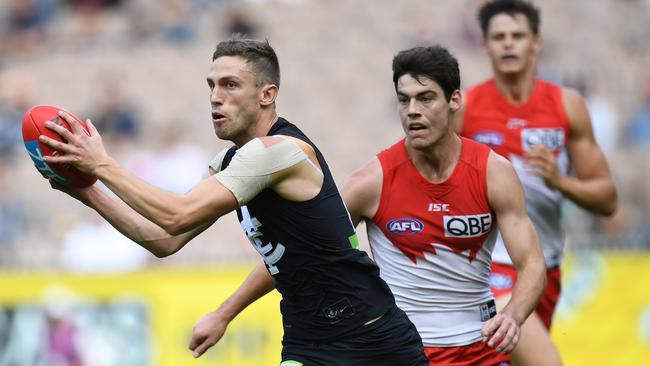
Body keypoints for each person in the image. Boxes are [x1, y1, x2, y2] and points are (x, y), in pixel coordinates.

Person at [39, 37, 428, 365]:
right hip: (309, 342)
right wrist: (85, 190)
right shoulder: (231, 162)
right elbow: (165, 240)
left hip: (374, 342)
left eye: (229, 85)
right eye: (211, 85)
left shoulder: (278, 151)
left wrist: (102, 165)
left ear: (267, 94)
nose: (215, 98)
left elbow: (177, 216)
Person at [187, 45, 547, 365]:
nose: (413, 111)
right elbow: (299, 254)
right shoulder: (371, 182)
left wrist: (514, 315)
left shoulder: (492, 173)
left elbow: (531, 262)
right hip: (397, 346)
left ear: (454, 100)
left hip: (479, 342)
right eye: (403, 100)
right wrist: (225, 313)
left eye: (426, 98)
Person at [455, 1, 619, 364]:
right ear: (485, 45)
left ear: (536, 43)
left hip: (545, 267)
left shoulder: (566, 105)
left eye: (517, 36)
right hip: (487, 267)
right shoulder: (465, 109)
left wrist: (561, 181)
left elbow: (607, 198)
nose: (508, 44)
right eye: (499, 37)